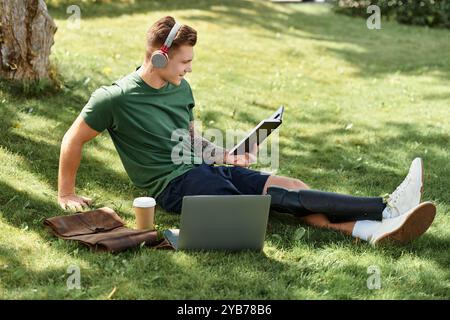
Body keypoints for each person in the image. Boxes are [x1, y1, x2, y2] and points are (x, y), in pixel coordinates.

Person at [57, 16, 436, 246]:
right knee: (264, 207)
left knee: (291, 186)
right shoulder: (115, 98)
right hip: (174, 187)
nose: (189, 69)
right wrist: (67, 192)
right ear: (159, 55)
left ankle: (371, 230)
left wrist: (223, 155)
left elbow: (189, 137)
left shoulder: (180, 88)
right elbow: (73, 139)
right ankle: (385, 207)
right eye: (184, 61)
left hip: (204, 170)